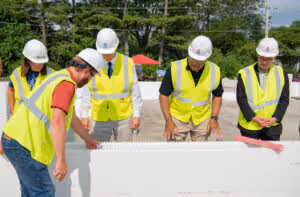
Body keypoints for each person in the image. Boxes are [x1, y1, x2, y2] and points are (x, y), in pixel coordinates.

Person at [1, 48, 104, 196]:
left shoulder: (59, 76)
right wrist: (60, 160)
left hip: (15, 139)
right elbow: (57, 122)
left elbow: (71, 117)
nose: (90, 81)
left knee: (31, 192)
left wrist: (88, 139)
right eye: (92, 76)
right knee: (44, 191)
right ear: (87, 71)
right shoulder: (66, 85)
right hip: (23, 143)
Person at [78, 28, 142, 142]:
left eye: (109, 52)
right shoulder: (90, 64)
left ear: (116, 46)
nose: (106, 56)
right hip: (98, 118)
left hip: (123, 117)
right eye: (103, 53)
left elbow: (135, 92)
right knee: (97, 153)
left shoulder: (128, 63)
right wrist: (84, 115)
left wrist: (136, 115)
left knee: (124, 153)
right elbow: (86, 93)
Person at [159, 35, 223, 141]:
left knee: (199, 154)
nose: (195, 64)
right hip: (177, 118)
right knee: (174, 153)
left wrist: (214, 118)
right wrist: (168, 121)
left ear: (207, 58)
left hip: (202, 119)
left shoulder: (215, 71)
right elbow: (163, 96)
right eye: (193, 59)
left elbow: (218, 96)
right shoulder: (175, 68)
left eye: (200, 61)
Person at [236, 37, 289, 141]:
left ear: (274, 57)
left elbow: (284, 99)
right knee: (251, 157)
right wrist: (253, 117)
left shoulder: (282, 73)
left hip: (272, 125)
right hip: (250, 125)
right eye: (261, 58)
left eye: (269, 59)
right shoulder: (245, 73)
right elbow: (241, 98)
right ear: (257, 55)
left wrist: (275, 118)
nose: (264, 62)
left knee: (271, 156)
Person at [7, 39, 54, 115]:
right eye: (36, 62)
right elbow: (10, 90)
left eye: (42, 62)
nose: (40, 65)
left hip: (41, 122)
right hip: (20, 120)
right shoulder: (17, 73)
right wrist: (12, 111)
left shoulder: (51, 74)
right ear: (27, 60)